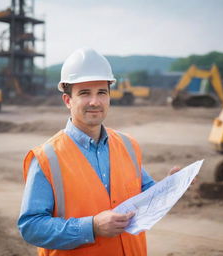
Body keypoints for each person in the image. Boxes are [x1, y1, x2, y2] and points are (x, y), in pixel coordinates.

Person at [18, 47, 180, 256]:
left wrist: (170, 187)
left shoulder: (128, 145)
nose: (95, 101)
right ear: (68, 100)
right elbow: (31, 227)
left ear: (109, 97)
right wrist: (91, 227)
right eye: (85, 93)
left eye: (101, 92)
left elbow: (146, 196)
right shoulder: (46, 158)